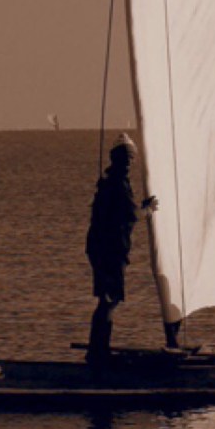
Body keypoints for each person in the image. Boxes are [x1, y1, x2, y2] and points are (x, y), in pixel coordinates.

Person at [85, 134, 139, 360]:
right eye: (123, 157)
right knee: (109, 299)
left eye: (129, 157)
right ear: (115, 158)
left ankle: (97, 349)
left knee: (107, 300)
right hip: (109, 251)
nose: (127, 161)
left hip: (102, 249)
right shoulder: (118, 183)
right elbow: (130, 213)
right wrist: (148, 210)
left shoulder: (110, 181)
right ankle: (99, 351)